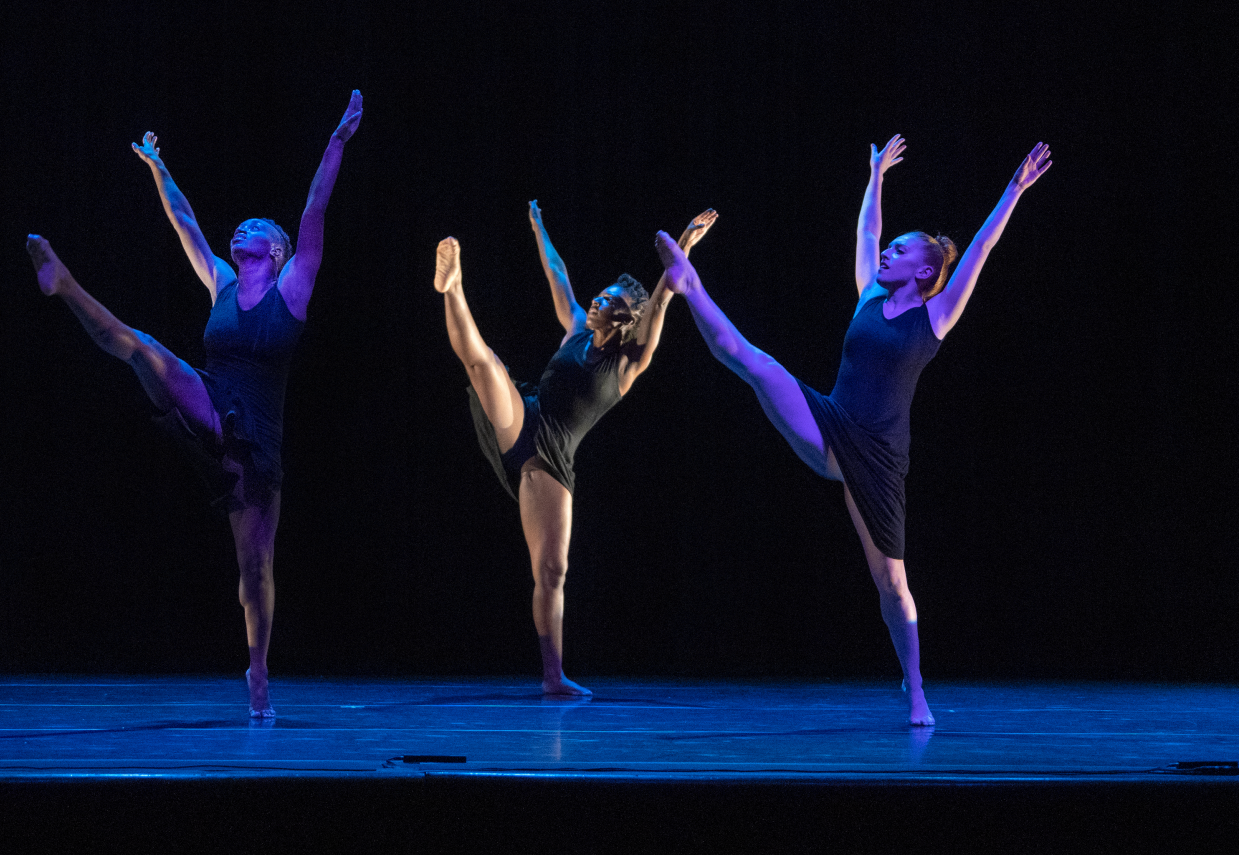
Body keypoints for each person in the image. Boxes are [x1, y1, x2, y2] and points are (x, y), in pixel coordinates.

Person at [654, 137, 1052, 724]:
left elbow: (983, 247)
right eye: (889, 248)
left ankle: (914, 686)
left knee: (893, 585)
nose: (886, 253)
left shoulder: (936, 315)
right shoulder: (869, 292)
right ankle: (690, 285)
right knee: (757, 364)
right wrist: (874, 177)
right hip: (831, 422)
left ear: (927, 269)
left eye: (900, 251)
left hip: (881, 458)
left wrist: (1013, 190)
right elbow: (867, 234)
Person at [25, 90, 364, 719]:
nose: (241, 229)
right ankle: (64, 286)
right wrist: (159, 168)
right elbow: (185, 222)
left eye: (256, 227)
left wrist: (338, 140)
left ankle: (258, 670)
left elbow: (316, 205)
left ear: (279, 250)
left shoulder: (293, 288)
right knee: (144, 349)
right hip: (209, 403)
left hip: (254, 447)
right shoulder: (223, 283)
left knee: (255, 572)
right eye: (240, 227)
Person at [435, 202, 718, 696]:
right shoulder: (575, 331)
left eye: (608, 299)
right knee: (485, 366)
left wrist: (685, 246)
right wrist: (539, 226)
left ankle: (552, 677)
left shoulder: (629, 363)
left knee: (552, 571)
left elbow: (662, 300)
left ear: (626, 316)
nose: (595, 300)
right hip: (524, 418)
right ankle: (452, 289)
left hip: (553, 457)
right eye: (600, 293)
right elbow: (558, 272)